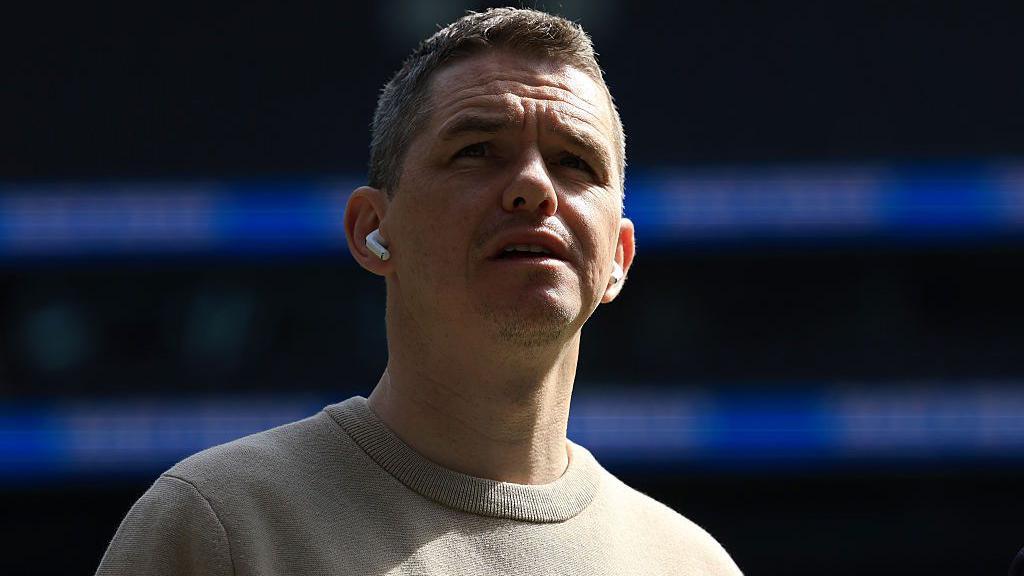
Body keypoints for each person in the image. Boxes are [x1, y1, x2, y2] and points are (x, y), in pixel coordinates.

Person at [96, 8, 741, 575]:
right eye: (478, 150)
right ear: (372, 230)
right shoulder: (218, 525)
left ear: (618, 259)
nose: (534, 186)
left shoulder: (690, 564)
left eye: (575, 162)